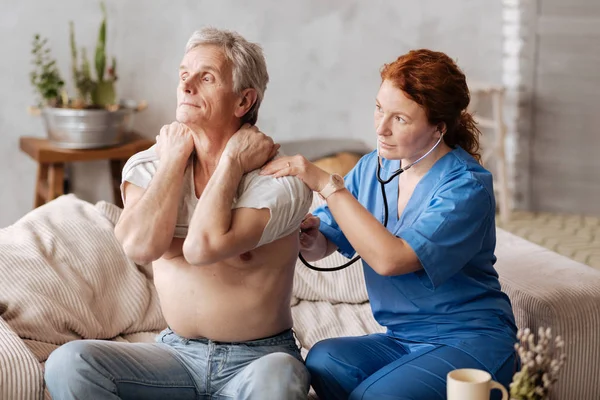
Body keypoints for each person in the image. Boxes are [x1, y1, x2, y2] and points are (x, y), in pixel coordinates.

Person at [44, 27, 312, 400]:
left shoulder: (280, 181)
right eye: (183, 75)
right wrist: (172, 160)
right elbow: (138, 246)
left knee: (282, 378)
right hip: (174, 357)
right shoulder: (149, 166)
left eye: (206, 78)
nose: (187, 87)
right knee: (69, 362)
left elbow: (202, 247)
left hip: (259, 360)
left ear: (243, 101)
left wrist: (232, 160)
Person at [261, 49, 518, 400]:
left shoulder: (466, 187)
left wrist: (327, 184)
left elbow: (390, 259)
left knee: (374, 395)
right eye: (380, 109)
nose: (380, 128)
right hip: (401, 338)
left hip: (470, 339)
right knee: (323, 360)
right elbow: (325, 244)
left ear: (438, 128)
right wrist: (309, 236)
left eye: (400, 119)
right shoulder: (373, 168)